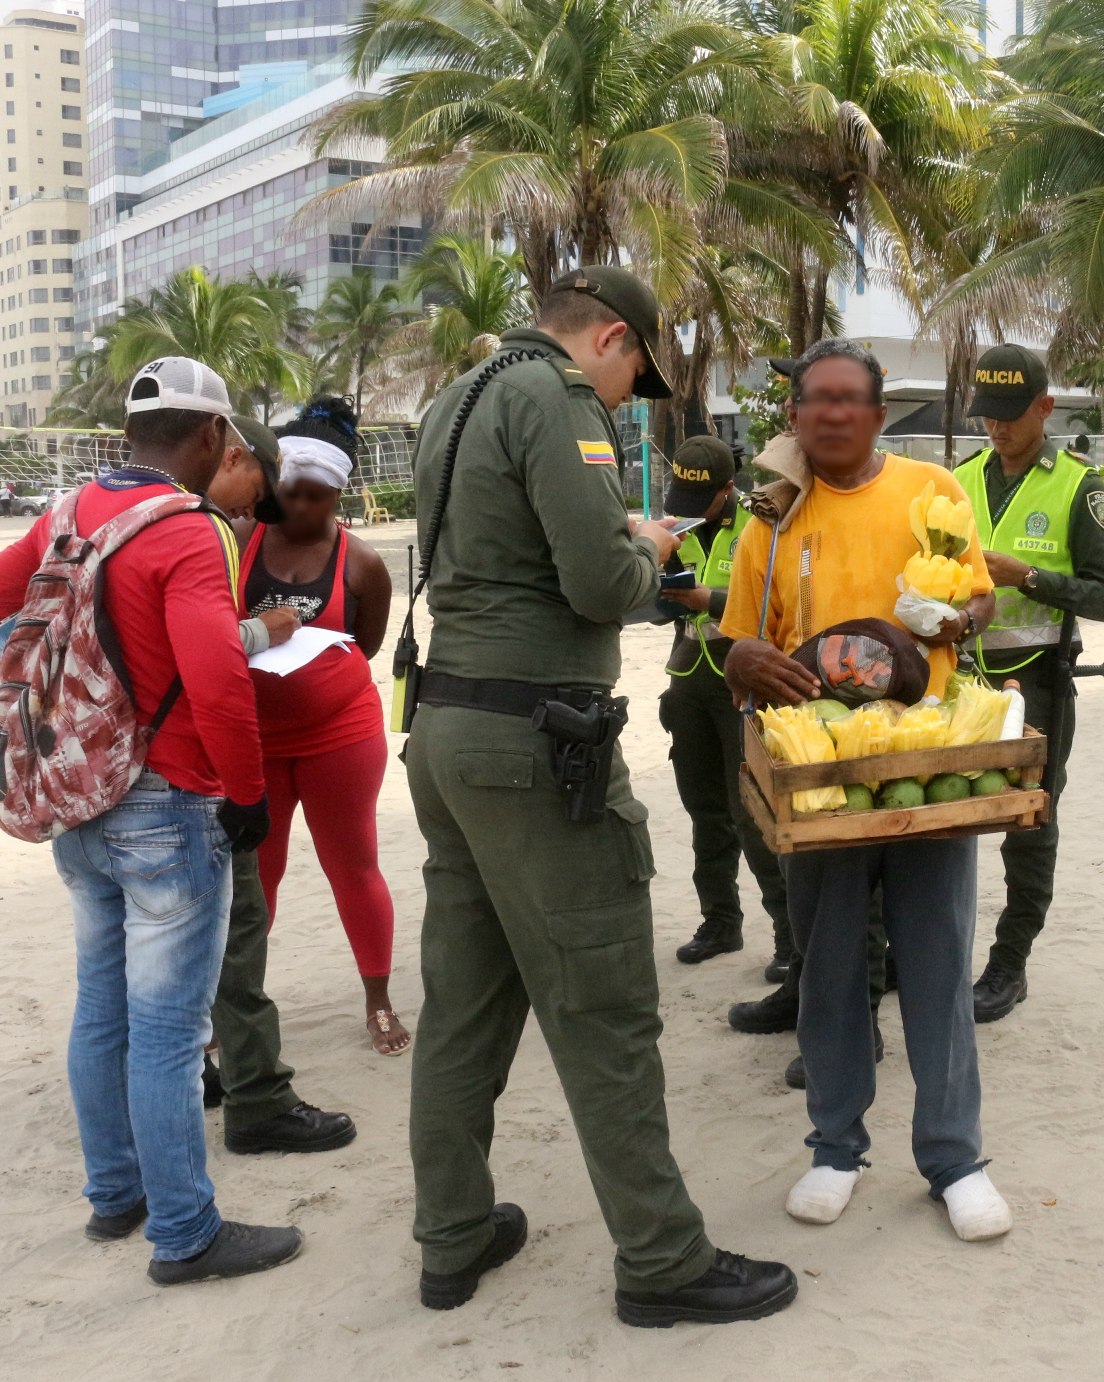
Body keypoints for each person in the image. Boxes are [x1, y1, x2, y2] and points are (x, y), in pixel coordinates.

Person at [403, 265, 797, 1324]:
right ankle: (663, 1260)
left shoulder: (462, 392)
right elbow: (591, 581)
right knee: (606, 1007)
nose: (629, 399)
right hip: (539, 739)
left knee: (465, 1001)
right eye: (636, 377)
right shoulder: (560, 399)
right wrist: (652, 553)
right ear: (611, 339)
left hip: (448, 727)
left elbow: (499, 551)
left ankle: (451, 1233)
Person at [0, 357, 303, 1285]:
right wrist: (246, 791)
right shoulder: (192, 532)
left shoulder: (69, 513)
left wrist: (67, 700)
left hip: (80, 797)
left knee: (101, 1005)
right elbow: (221, 675)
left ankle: (117, 1196)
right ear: (210, 438)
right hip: (170, 800)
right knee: (167, 1028)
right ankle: (186, 1232)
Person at [719, 338, 1012, 1243]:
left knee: (936, 963)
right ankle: (835, 1148)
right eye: (818, 401)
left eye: (853, 400)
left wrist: (959, 616)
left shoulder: (934, 492)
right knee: (831, 968)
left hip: (924, 765)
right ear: (796, 415)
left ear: (879, 415)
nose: (835, 414)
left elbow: (979, 600)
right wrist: (741, 660)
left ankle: (954, 1159)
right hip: (817, 774)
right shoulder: (769, 518)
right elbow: (736, 647)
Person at [225, 396, 406, 1057]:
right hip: (255, 737)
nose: (299, 508)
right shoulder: (240, 542)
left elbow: (367, 645)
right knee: (255, 877)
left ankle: (378, 998)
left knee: (353, 866)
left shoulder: (363, 566)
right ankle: (236, 1008)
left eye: (315, 497)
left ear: (337, 493)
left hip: (339, 732)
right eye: (289, 493)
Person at [203, 414, 361, 1152]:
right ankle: (251, 1094)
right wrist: (262, 635)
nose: (271, 511)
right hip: (213, 758)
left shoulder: (88, 515)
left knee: (144, 946)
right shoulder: (209, 536)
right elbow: (203, 650)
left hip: (111, 776)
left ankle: (125, 1162)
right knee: (238, 921)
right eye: (267, 494)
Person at [953, 343, 1104, 1022]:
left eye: (1010, 415)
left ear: (1045, 408)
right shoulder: (958, 480)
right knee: (945, 817)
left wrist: (1025, 576)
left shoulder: (1081, 486)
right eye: (987, 415)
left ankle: (1009, 962)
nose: (996, 428)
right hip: (961, 682)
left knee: (1029, 825)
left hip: (1039, 684)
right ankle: (927, 951)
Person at [656, 434, 792, 979]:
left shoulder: (761, 524)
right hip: (689, 677)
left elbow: (773, 600)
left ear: (729, 490)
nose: (688, 513)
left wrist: (705, 599)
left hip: (744, 682)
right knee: (703, 808)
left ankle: (787, 935)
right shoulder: (673, 526)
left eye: (702, 501)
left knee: (752, 813)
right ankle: (720, 921)